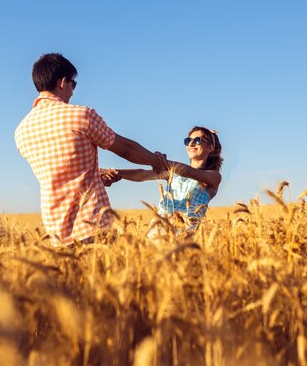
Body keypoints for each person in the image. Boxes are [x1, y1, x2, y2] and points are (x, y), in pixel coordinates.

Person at [14, 53, 167, 246]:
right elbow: (126, 149)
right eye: (73, 84)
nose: (73, 91)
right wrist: (156, 160)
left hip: (55, 232)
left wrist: (96, 175)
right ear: (62, 82)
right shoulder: (80, 115)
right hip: (93, 224)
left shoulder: (21, 131)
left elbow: (60, 173)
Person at [112, 126, 223, 232]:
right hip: (158, 231)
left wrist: (157, 161)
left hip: (184, 236)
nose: (191, 143)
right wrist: (116, 172)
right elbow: (143, 174)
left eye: (197, 140)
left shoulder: (214, 177)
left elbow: (189, 172)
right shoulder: (173, 173)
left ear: (210, 147)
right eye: (188, 140)